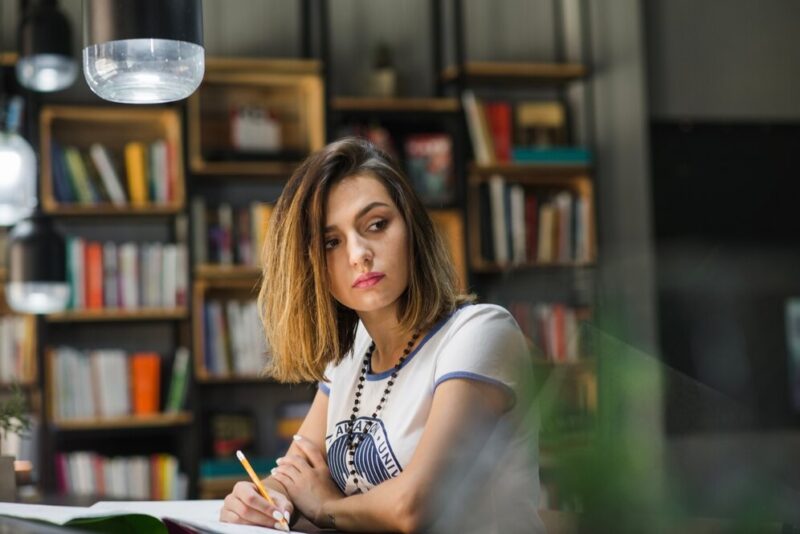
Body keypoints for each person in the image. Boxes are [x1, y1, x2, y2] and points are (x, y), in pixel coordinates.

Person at [220, 137, 544, 533]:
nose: (358, 254)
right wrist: (260, 499)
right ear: (312, 267)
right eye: (331, 242)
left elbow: (412, 506)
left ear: (412, 228)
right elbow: (292, 477)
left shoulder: (481, 333)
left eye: (376, 225)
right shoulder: (349, 355)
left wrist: (325, 507)